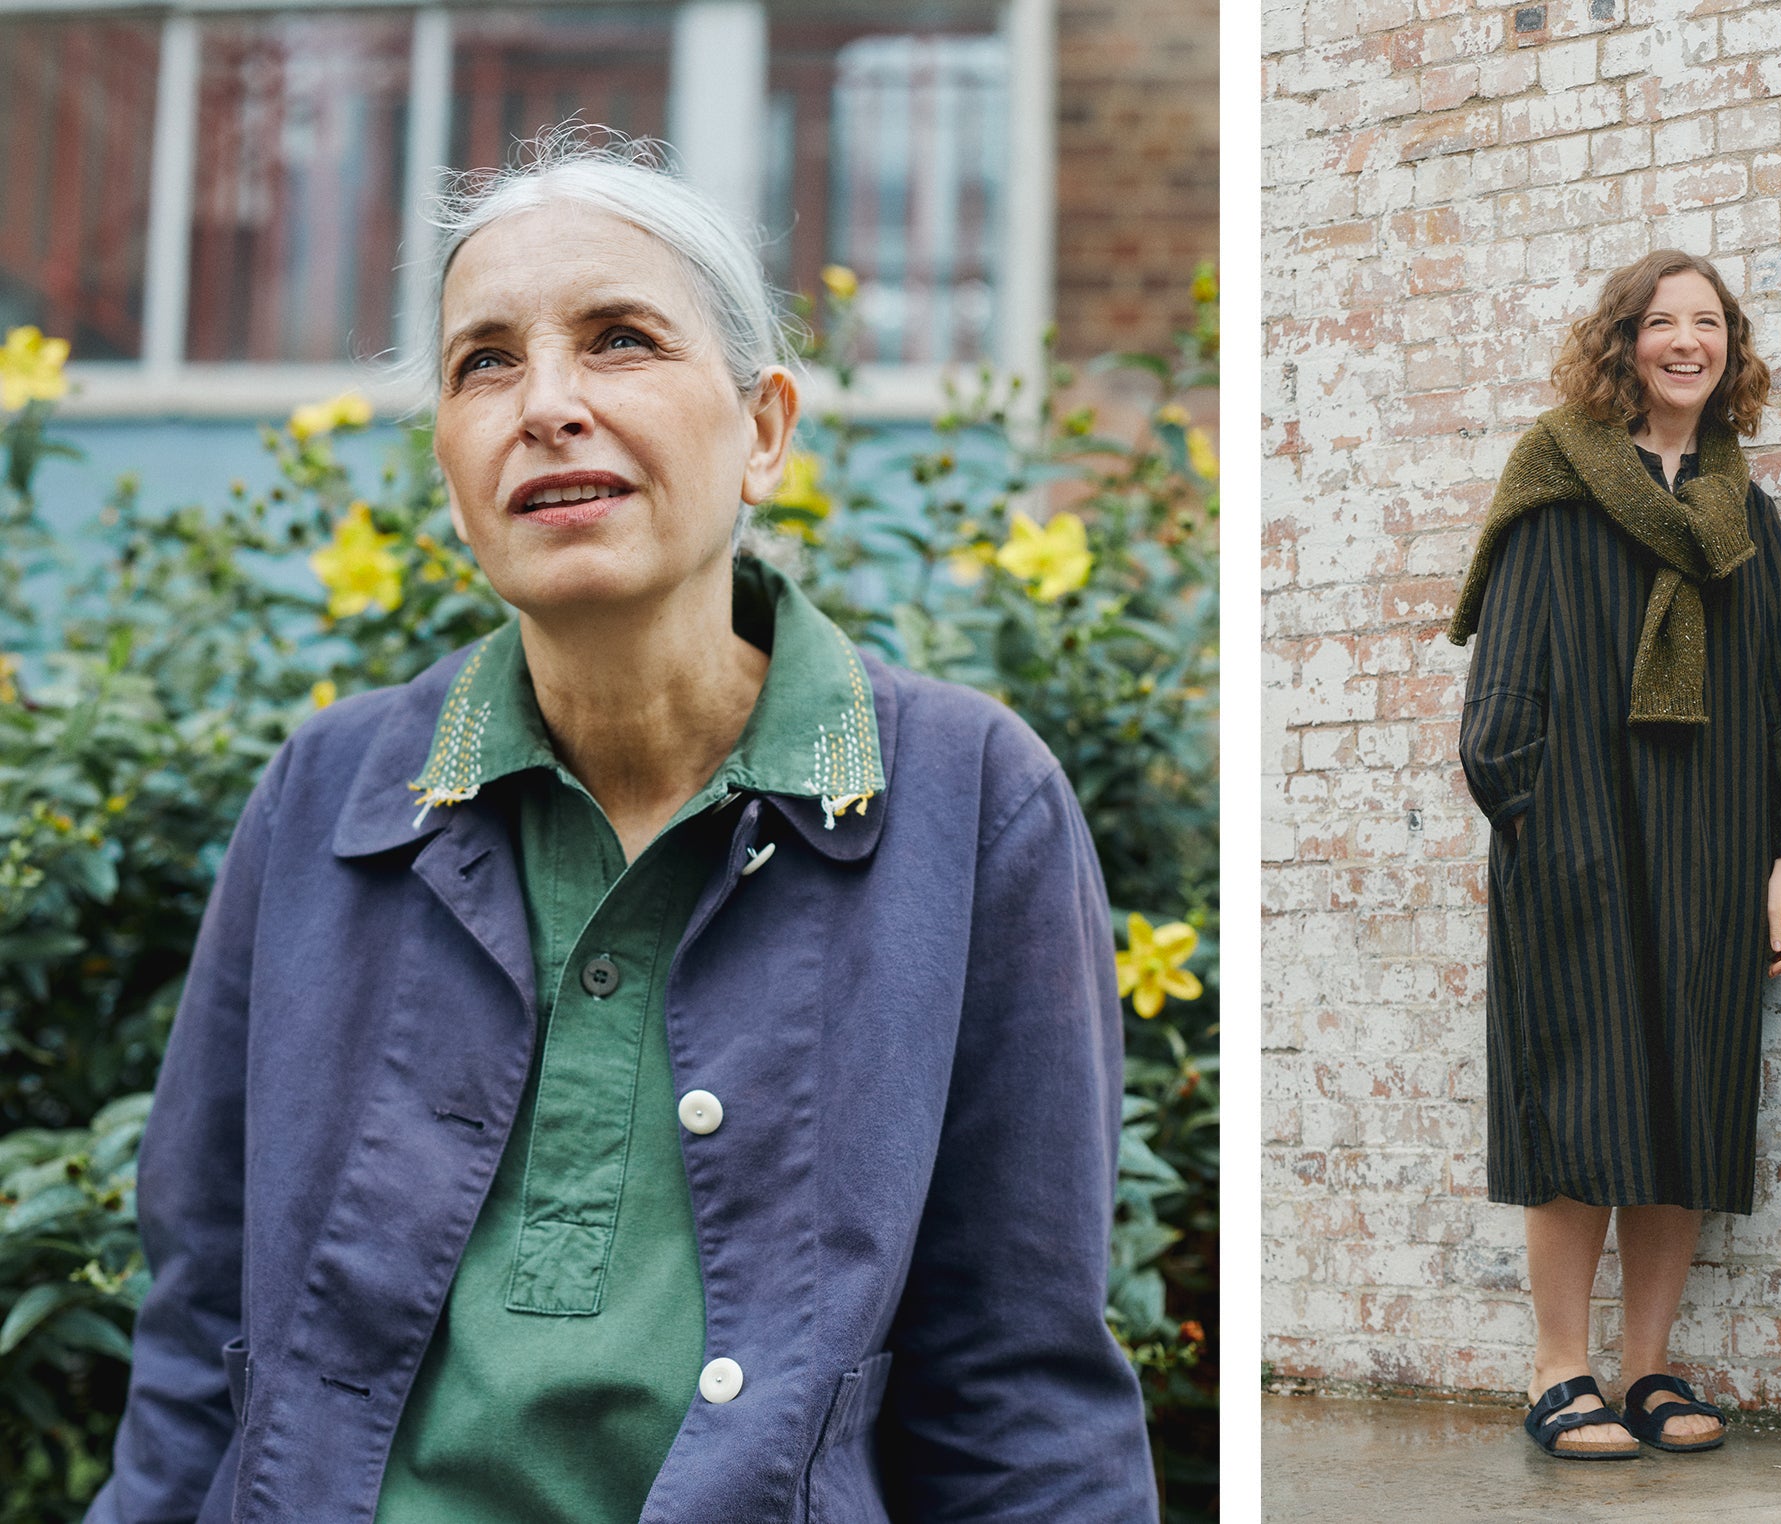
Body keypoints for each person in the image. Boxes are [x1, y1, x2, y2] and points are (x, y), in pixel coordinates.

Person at [85, 134, 1155, 1523]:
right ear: (451, 465)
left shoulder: (965, 801)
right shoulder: (327, 798)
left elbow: (1022, 1391)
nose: (548, 406)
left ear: (764, 428)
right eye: (485, 363)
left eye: (620, 341)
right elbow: (194, 1347)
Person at [1449, 250, 1781, 1460]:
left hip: (1712, 848)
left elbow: (1775, 694)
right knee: (1580, 1101)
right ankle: (1559, 1372)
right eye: (1658, 322)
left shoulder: (1739, 511)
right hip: (1580, 843)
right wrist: (1534, 825)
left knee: (1684, 1107)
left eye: (1705, 324)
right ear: (1620, 344)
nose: (1683, 342)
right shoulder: (1553, 484)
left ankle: (1647, 1368)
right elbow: (1501, 688)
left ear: (1729, 349)